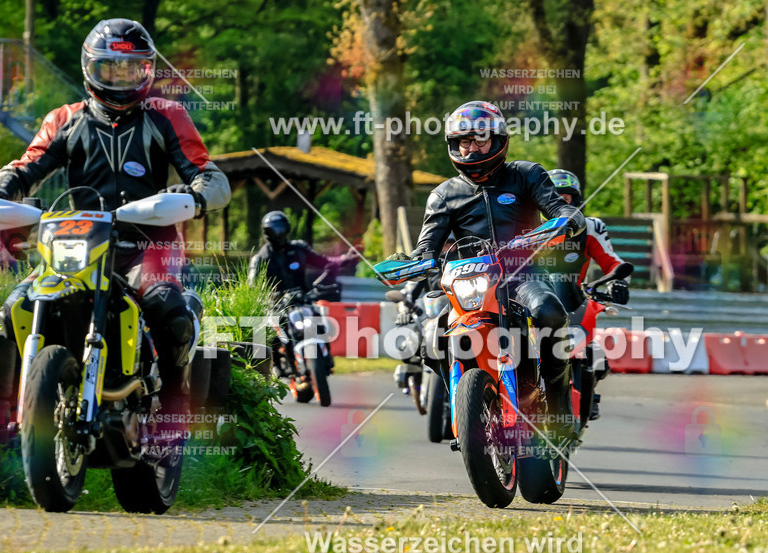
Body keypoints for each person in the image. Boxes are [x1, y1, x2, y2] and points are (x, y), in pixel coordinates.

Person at [0, 18, 231, 414]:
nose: (121, 78)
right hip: (77, 244)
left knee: (169, 311)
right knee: (17, 308)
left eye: (132, 69)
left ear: (148, 70)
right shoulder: (64, 119)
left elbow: (209, 175)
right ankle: (18, 409)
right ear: (89, 67)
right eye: (110, 68)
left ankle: (174, 409)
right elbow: (24, 169)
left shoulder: (167, 115)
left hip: (148, 244)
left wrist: (194, 196)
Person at [403, 100, 587, 439]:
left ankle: (557, 400)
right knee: (431, 338)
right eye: (464, 141)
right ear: (453, 145)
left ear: (498, 140)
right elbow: (426, 246)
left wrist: (568, 218)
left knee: (549, 312)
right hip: (470, 283)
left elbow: (559, 208)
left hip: (523, 275)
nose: (472, 148)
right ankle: (465, 401)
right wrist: (415, 263)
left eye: (480, 139)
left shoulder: (526, 175)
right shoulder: (444, 195)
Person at [546, 168, 632, 420]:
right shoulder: (521, 225)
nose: (560, 202)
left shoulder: (590, 227)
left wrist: (618, 282)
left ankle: (586, 381)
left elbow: (613, 262)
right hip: (524, 299)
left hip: (571, 299)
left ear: (576, 199)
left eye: (566, 197)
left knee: (593, 343)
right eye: (553, 197)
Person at [247, 211, 358, 297]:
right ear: (266, 232)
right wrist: (272, 298)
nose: (278, 233)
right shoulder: (260, 259)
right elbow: (252, 290)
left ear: (287, 229)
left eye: (281, 229)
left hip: (303, 303)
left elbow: (322, 261)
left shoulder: (298, 249)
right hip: (274, 309)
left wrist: (344, 259)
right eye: (273, 230)